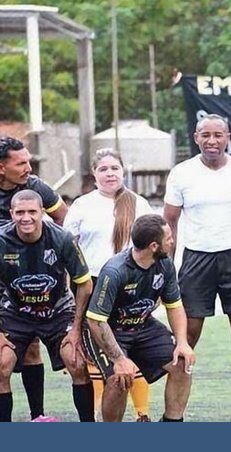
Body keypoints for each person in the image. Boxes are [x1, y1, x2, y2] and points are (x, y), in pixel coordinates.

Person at [163, 114, 231, 422]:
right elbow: (168, 223)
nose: (212, 141)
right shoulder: (181, 173)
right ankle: (174, 413)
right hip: (195, 260)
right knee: (187, 335)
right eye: (205, 135)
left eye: (218, 135)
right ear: (196, 137)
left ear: (228, 137)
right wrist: (166, 272)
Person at [64, 148, 154, 421]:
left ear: (122, 171)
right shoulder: (82, 204)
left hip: (131, 285)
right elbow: (68, 246)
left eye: (114, 168)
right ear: (94, 174)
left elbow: (154, 243)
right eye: (103, 169)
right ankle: (100, 413)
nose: (110, 174)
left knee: (130, 349)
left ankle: (142, 414)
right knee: (99, 354)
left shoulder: (138, 203)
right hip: (92, 285)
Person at [84, 214, 195, 422]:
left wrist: (182, 342)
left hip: (141, 325)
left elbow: (175, 305)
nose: (172, 241)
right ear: (154, 246)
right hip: (108, 329)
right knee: (120, 378)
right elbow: (96, 320)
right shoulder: (115, 271)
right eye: (168, 238)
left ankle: (172, 423)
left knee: (182, 363)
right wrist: (119, 359)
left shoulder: (165, 264)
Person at [0, 190, 93, 422]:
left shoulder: (62, 239)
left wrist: (75, 328)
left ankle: (90, 429)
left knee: (76, 361)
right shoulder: (1, 240)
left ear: (42, 213)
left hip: (58, 311)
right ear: (11, 214)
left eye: (32, 211)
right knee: (1, 365)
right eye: (20, 212)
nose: (26, 217)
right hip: (15, 312)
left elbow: (85, 285)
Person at [0, 136, 69, 421]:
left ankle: (37, 416)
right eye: (21, 163)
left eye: (29, 161)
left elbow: (66, 219)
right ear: (2, 167)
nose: (29, 167)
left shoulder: (36, 187)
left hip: (32, 278)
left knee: (30, 347)